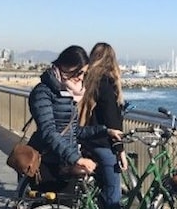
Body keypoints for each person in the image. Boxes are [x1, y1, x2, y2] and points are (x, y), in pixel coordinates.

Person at [28, 45, 120, 191]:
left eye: (84, 74)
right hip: (47, 164)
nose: (82, 78)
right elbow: (49, 133)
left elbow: (74, 130)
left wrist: (105, 131)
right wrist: (77, 159)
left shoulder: (65, 94)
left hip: (64, 163)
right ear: (70, 67)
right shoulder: (43, 92)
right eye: (80, 73)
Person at [78, 42, 128, 209]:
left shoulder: (87, 81)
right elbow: (112, 123)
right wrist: (120, 151)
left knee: (101, 190)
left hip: (86, 142)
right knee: (113, 195)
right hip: (102, 146)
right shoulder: (106, 84)